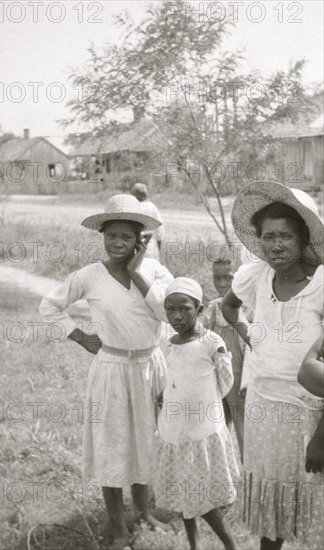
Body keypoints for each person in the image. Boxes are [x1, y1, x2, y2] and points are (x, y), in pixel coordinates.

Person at [39, 194, 173, 550]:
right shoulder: (89, 276)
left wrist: (136, 272)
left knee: (148, 442)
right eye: (111, 235)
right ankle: (116, 526)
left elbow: (167, 314)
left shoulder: (157, 273)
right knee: (112, 446)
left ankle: (144, 513)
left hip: (150, 367)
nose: (117, 243)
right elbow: (49, 307)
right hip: (111, 369)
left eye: (126, 236)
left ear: (140, 238)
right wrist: (82, 338)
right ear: (102, 236)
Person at [222, 181, 324, 550]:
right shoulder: (257, 276)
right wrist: (251, 336)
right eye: (268, 237)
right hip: (264, 405)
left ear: (303, 239)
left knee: (311, 500)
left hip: (308, 412)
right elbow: (228, 306)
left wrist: (321, 437)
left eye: (286, 236)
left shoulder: (322, 284)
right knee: (271, 498)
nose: (276, 245)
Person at [155, 277, 239, 550]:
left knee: (199, 496)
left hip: (201, 431)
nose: (176, 315)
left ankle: (230, 544)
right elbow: (166, 381)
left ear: (200, 309)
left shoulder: (211, 343)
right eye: (170, 309)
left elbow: (225, 383)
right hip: (174, 432)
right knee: (184, 491)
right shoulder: (167, 344)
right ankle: (194, 544)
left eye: (185, 309)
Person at [203, 257, 250, 462]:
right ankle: (221, 468)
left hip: (239, 373)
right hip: (216, 373)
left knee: (241, 422)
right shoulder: (212, 308)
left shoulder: (248, 308)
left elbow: (253, 347)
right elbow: (202, 339)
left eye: (228, 278)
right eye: (217, 278)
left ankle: (249, 469)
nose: (222, 284)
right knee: (218, 421)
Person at [130, 183, 164, 260]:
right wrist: (158, 247)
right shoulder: (151, 207)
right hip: (150, 246)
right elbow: (160, 230)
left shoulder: (131, 207)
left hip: (134, 245)